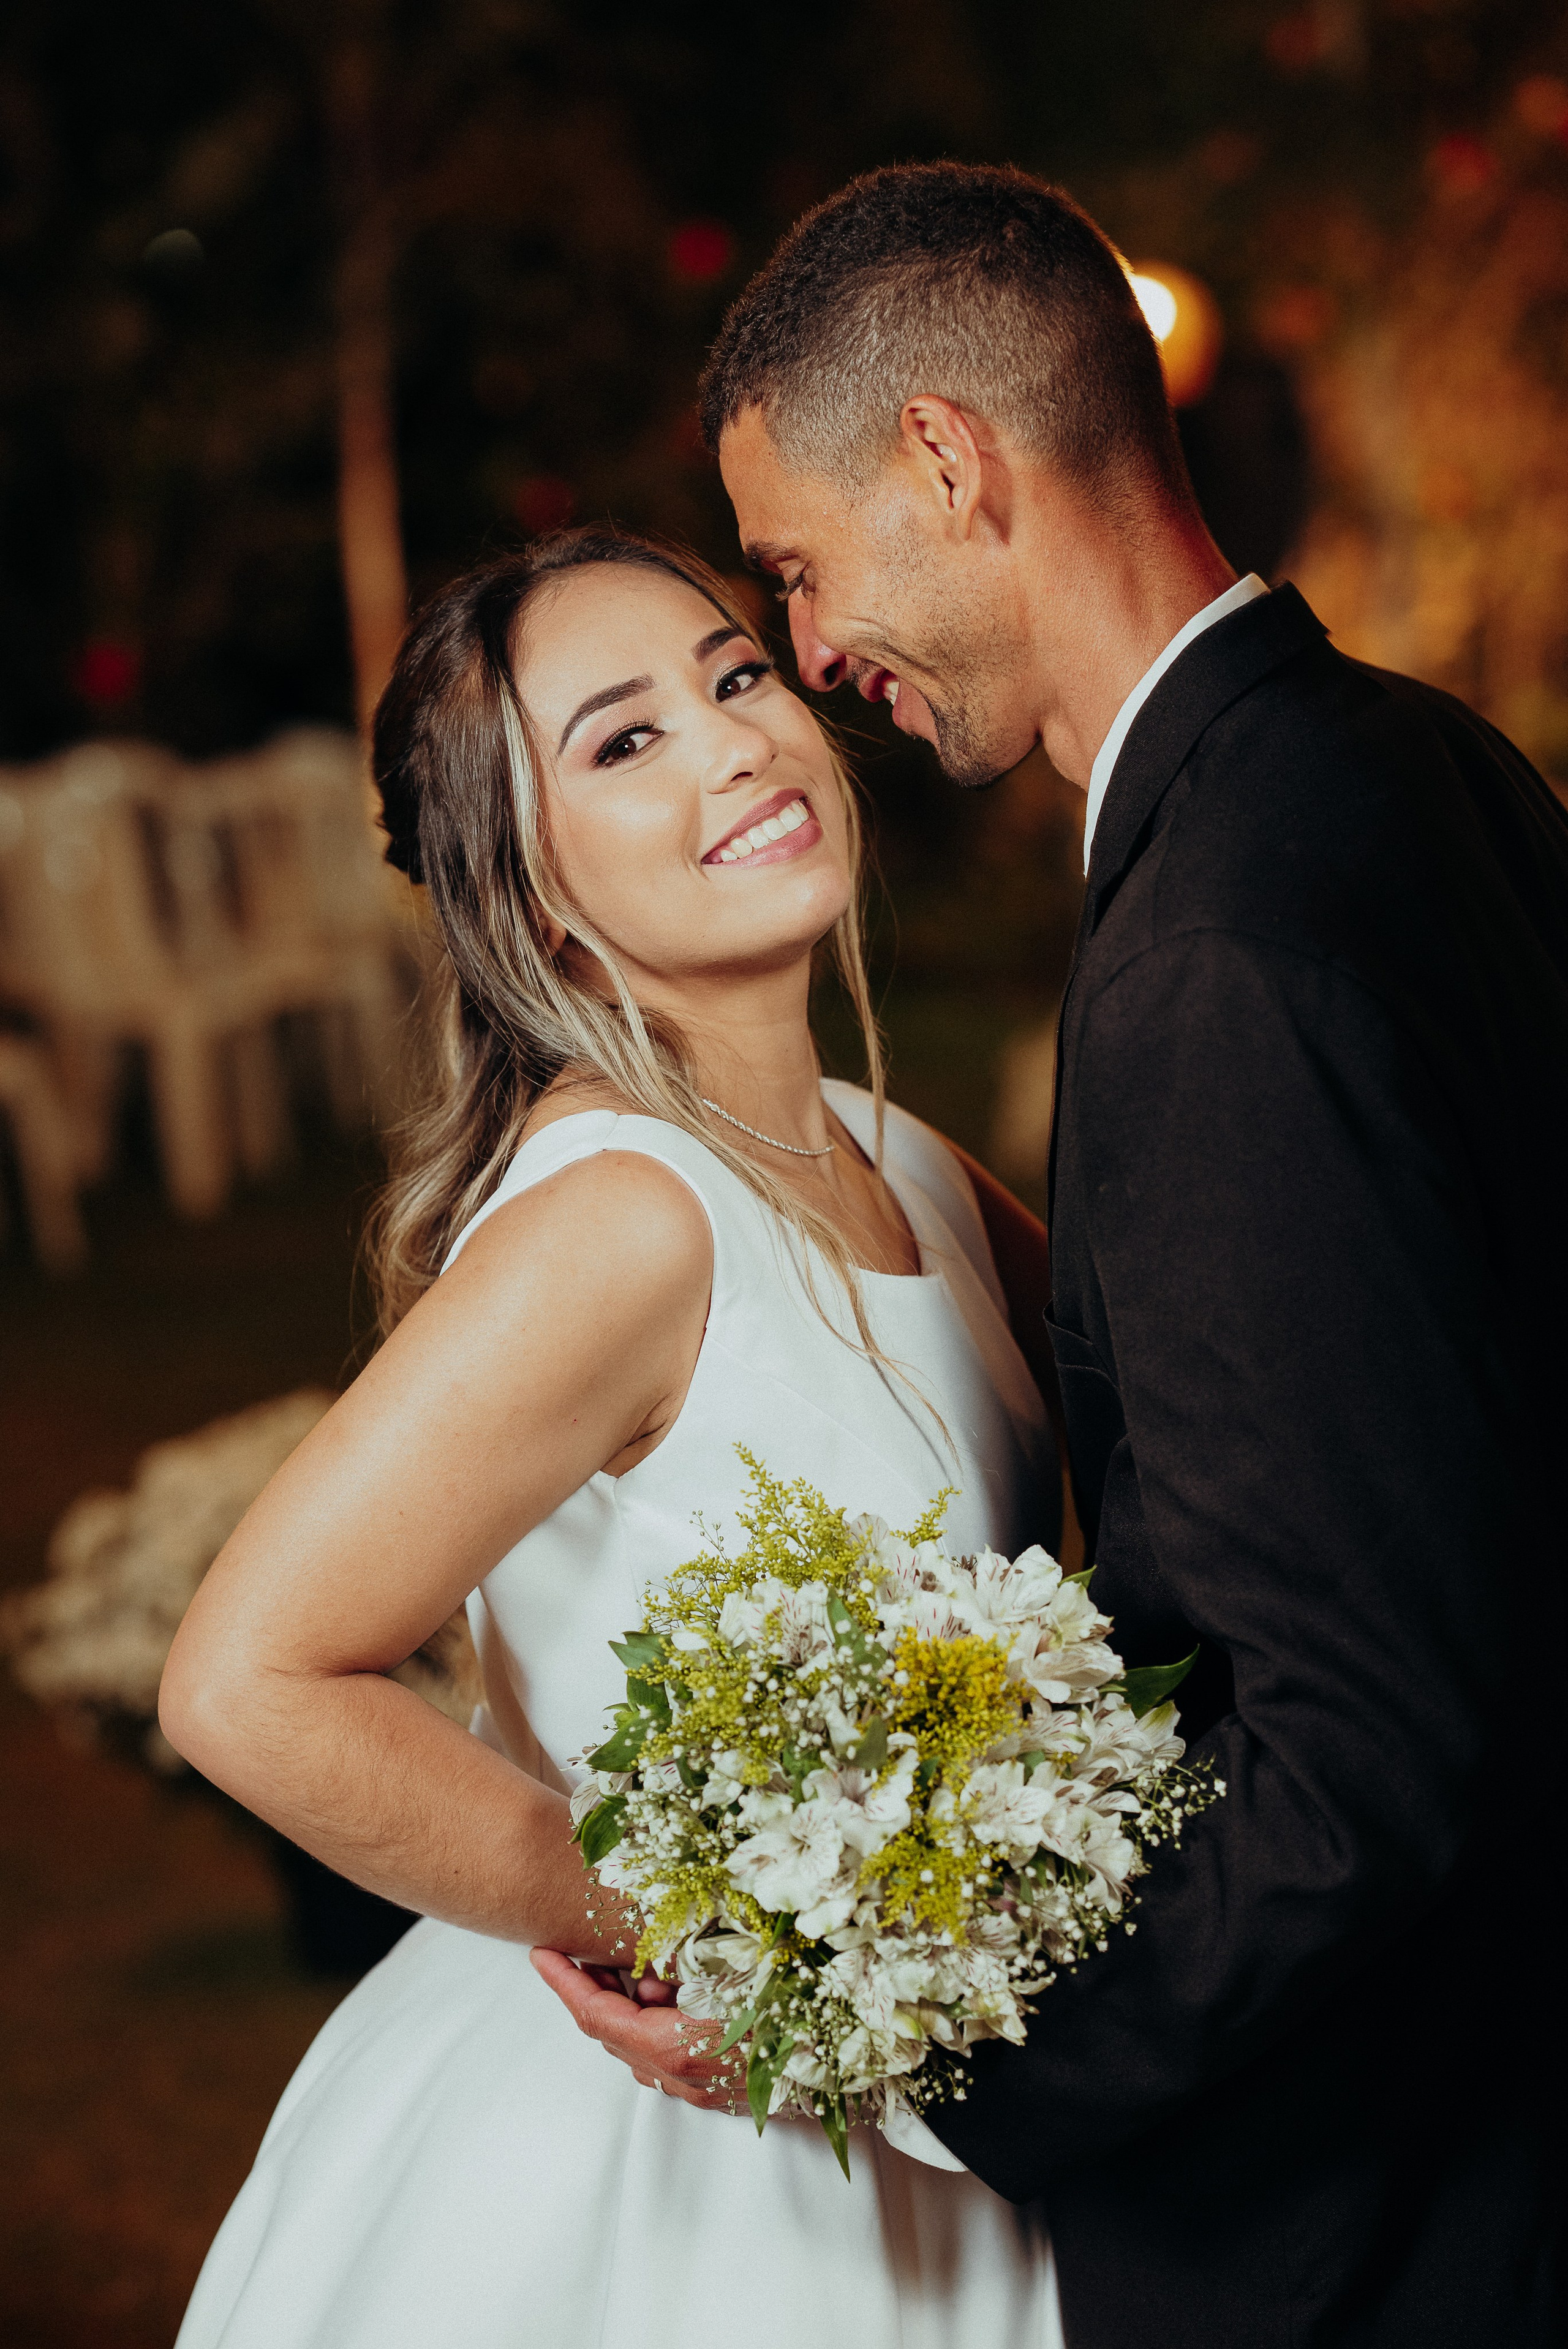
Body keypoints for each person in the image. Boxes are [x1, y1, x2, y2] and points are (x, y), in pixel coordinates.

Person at [537, 165, 1568, 2347]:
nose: (813, 657)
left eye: (799, 574)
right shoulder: (1420, 766)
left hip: (1400, 2207)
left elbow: (1358, 1750)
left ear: (950, 461)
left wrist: (925, 2061)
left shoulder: (1217, 952)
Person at [160, 526, 1072, 2348]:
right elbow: (246, 1679)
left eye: (735, 678)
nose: (734, 741)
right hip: (686, 2180)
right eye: (623, 738)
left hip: (950, 2129)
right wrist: (688, 1927)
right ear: (536, 892)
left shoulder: (897, 1156)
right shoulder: (622, 1220)